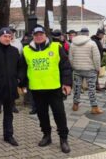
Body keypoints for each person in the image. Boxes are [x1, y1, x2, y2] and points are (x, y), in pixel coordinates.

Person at [20, 25, 72, 154]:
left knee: (59, 114)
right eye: (36, 35)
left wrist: (66, 83)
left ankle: (63, 139)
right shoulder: (26, 50)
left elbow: (65, 67)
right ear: (33, 36)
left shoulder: (56, 47)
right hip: (37, 89)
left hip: (54, 88)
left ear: (45, 35)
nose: (38, 37)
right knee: (42, 114)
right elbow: (22, 69)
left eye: (41, 34)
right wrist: (22, 84)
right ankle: (46, 136)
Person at [69, 28, 103, 114]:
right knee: (91, 89)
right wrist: (97, 68)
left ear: (80, 34)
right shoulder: (92, 43)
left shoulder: (73, 43)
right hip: (90, 70)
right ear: (88, 34)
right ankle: (94, 108)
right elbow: (96, 58)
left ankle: (75, 105)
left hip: (77, 69)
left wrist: (74, 66)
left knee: (77, 88)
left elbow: (70, 58)